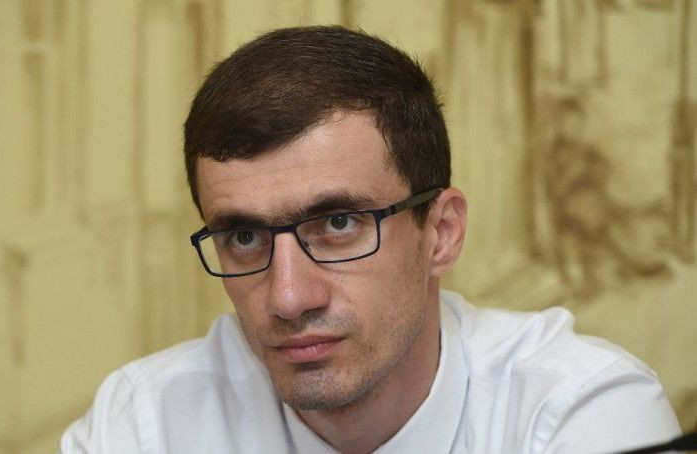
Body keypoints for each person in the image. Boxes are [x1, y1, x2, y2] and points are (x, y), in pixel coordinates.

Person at [60, 26, 681, 453]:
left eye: (338, 224)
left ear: (441, 233)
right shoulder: (145, 424)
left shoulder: (578, 410)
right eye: (244, 236)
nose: (287, 297)